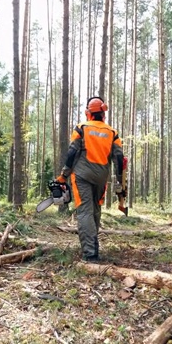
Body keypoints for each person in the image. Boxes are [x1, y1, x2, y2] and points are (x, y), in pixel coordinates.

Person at [54, 96, 125, 261]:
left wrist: (64, 174)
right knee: (95, 209)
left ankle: (90, 254)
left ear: (89, 113)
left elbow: (72, 152)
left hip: (82, 175)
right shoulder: (112, 132)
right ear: (103, 114)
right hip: (101, 177)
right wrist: (121, 181)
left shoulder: (81, 128)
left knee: (84, 211)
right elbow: (119, 158)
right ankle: (93, 247)